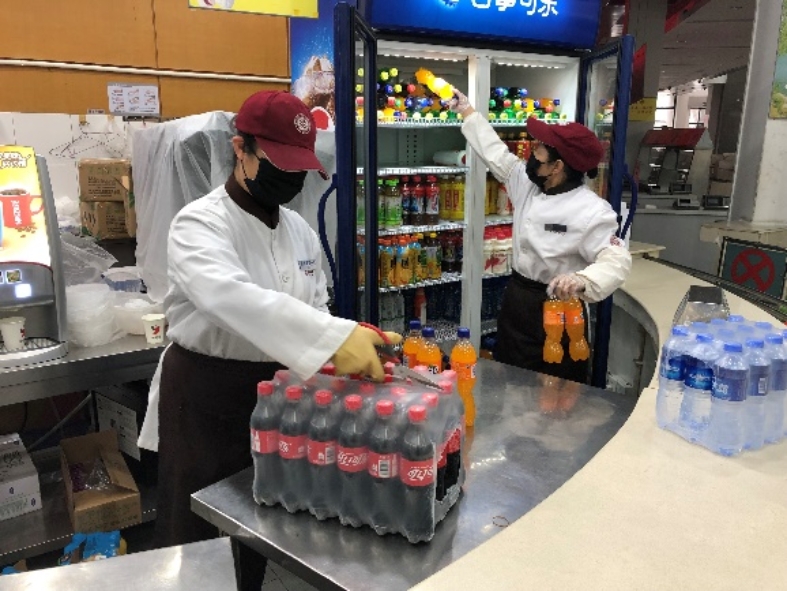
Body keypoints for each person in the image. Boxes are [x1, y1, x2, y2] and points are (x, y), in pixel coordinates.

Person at [137, 91, 400, 590]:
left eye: (300, 169)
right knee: (196, 533)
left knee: (258, 526)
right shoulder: (199, 223)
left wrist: (347, 339)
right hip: (208, 397)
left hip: (279, 400)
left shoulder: (299, 230)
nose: (290, 179)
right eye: (279, 165)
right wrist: (333, 338)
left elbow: (314, 306)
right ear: (240, 148)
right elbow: (230, 298)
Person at [449, 89, 631, 383]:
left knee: (554, 389)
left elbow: (617, 260)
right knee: (510, 379)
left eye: (539, 151)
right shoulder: (529, 185)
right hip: (518, 299)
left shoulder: (592, 211)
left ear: (557, 167)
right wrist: (467, 111)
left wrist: (582, 280)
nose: (530, 154)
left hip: (560, 310)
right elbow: (496, 154)